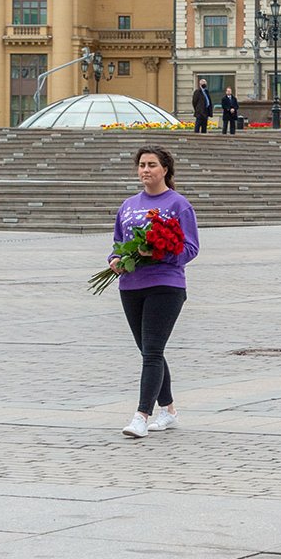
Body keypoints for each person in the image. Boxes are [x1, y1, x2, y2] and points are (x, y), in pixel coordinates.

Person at [109, 145, 200, 439]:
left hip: (165, 285)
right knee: (149, 351)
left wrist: (161, 252)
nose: (145, 170)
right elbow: (118, 242)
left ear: (165, 170)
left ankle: (141, 416)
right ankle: (169, 411)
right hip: (131, 286)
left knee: (151, 352)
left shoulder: (178, 205)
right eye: (142, 165)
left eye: (151, 165)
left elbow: (190, 247)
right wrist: (114, 260)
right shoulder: (128, 205)